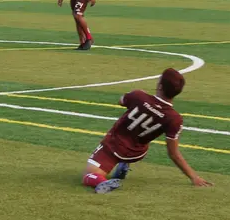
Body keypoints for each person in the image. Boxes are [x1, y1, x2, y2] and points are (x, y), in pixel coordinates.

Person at [82, 68, 211, 193]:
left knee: (89, 175)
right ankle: (123, 164)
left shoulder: (139, 95)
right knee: (135, 138)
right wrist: (194, 177)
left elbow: (121, 101)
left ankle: (101, 183)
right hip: (136, 153)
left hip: (113, 146)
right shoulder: (175, 119)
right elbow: (174, 153)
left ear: (160, 86)